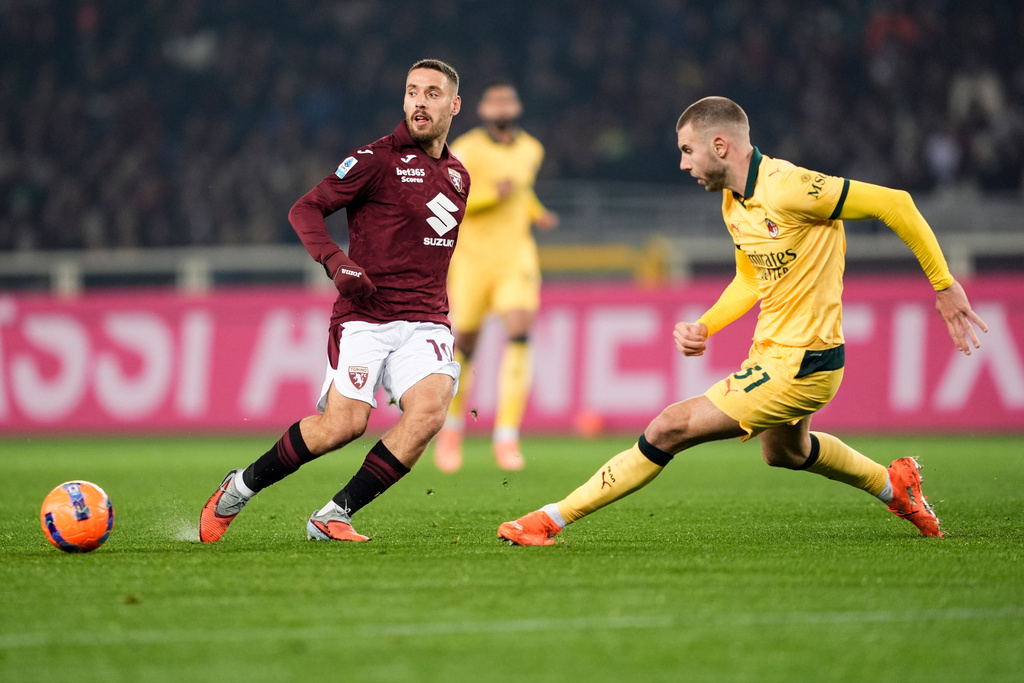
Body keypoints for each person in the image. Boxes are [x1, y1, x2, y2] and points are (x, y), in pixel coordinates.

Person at [497, 96, 988, 546]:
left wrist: (943, 286)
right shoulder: (733, 201)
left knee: (670, 426)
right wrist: (707, 325)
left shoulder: (792, 188)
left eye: (688, 151)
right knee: (786, 453)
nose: (683, 163)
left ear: (719, 144)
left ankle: (551, 519)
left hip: (803, 362)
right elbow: (750, 278)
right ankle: (894, 485)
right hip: (774, 353)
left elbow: (895, 203)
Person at [200, 59, 469, 543]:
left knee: (429, 413)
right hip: (366, 318)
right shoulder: (375, 159)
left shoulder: (457, 176)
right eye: (411, 92)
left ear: (454, 105)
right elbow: (304, 208)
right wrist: (336, 262)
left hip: (427, 321)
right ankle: (239, 487)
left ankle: (334, 515)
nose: (419, 103)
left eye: (432, 93)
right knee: (343, 426)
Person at [433, 81, 558, 473]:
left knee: (520, 333)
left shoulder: (531, 149)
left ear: (517, 106)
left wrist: (536, 212)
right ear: (483, 110)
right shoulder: (465, 149)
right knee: (465, 346)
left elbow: (522, 190)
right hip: (471, 261)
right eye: (494, 101)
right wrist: (490, 193)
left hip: (515, 258)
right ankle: (452, 429)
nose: (501, 106)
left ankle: (507, 436)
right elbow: (449, 199)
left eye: (508, 99)